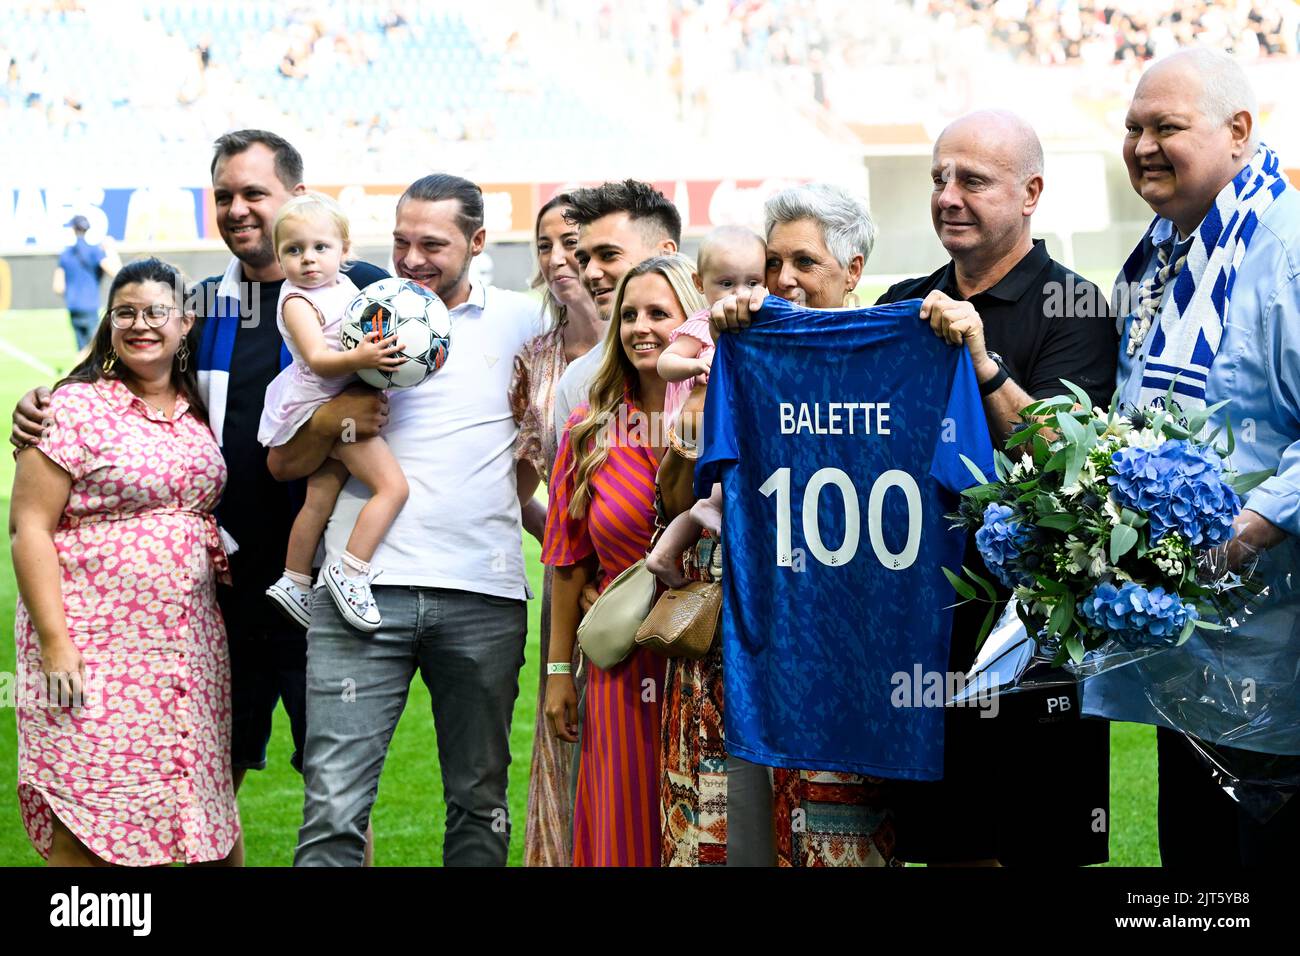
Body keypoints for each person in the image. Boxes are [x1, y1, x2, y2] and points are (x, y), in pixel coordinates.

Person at [11, 130, 389, 866]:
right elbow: (125, 372)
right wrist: (42, 403)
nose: (240, 209)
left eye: (256, 193)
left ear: (296, 196)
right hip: (224, 599)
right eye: (225, 196)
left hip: (331, 590)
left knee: (339, 790)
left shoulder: (361, 291)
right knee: (208, 779)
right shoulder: (206, 308)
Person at [274, 174, 545, 867]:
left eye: (433, 243)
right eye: (400, 241)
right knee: (333, 808)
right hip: (356, 597)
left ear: (478, 242)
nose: (412, 258)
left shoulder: (523, 321)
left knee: (480, 805)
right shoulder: (349, 317)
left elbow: (558, 428)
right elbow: (283, 463)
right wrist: (334, 419)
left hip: (482, 595)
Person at [877, 110, 1116, 867]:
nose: (948, 196)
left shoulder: (1074, 308)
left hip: (1032, 641)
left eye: (972, 180)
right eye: (939, 178)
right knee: (945, 850)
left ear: (1029, 193)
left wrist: (984, 362)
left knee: (1038, 850)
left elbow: (1068, 470)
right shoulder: (901, 303)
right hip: (923, 636)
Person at [1083, 48, 1300, 865]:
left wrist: (1250, 528)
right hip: (1183, 648)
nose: (1141, 145)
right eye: (1133, 128)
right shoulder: (1159, 256)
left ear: (1239, 132)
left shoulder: (1287, 251)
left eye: (1165, 127)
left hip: (1274, 652)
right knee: (1196, 882)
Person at [12, 258, 238, 866]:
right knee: (86, 807)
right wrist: (56, 644)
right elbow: (28, 527)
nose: (141, 324)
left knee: (197, 802)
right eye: (126, 313)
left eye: (156, 312)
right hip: (90, 644)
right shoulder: (73, 408)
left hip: (187, 651)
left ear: (185, 322)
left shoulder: (199, 409)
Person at [708, 183, 894, 867]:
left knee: (853, 837)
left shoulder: (896, 357)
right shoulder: (747, 350)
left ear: (853, 272)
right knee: (761, 837)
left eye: (805, 264)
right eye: (774, 263)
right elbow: (701, 485)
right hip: (769, 645)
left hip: (865, 645)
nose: (784, 280)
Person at [542, 253, 702, 866]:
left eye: (659, 314)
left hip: (710, 662)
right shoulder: (590, 431)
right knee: (623, 826)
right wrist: (560, 674)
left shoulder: (729, 418)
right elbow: (567, 564)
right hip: (622, 662)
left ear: (692, 324)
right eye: (629, 314)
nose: (640, 327)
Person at [259, 192, 409, 633]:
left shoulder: (342, 286)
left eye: (320, 248)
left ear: (345, 250)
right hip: (321, 402)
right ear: (279, 257)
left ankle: (293, 579)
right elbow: (319, 360)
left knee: (319, 499)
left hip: (335, 396)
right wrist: (364, 358)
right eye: (293, 250)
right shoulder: (297, 301)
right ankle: (351, 570)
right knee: (393, 488)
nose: (308, 260)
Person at [510, 193, 604, 868]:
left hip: (650, 570)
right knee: (565, 729)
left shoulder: (649, 333)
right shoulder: (536, 356)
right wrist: (564, 545)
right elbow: (520, 475)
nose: (558, 258)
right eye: (544, 245)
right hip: (569, 578)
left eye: (573, 242)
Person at [551, 180, 681, 437]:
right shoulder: (578, 381)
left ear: (665, 253)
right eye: (584, 260)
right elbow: (569, 477)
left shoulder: (725, 357)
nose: (590, 273)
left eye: (608, 254)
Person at [52, 214, 121, 351]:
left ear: (72, 229)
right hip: (90, 307)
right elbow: (116, 272)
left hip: (73, 307)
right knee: (96, 350)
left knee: (82, 349)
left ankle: (80, 371)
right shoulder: (95, 251)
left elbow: (58, 287)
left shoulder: (65, 254)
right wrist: (111, 249)